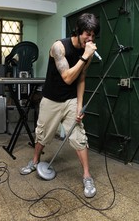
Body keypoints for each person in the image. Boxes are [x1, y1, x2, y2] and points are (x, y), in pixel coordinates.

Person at [19, 13, 100, 198]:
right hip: (51, 99)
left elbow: (80, 79)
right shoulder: (59, 47)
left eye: (94, 35)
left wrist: (80, 105)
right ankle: (34, 161)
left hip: (71, 100)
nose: (91, 39)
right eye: (87, 34)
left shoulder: (88, 54)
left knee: (79, 136)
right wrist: (85, 56)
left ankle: (87, 176)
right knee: (42, 133)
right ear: (78, 31)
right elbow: (67, 77)